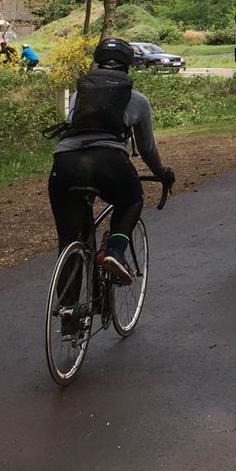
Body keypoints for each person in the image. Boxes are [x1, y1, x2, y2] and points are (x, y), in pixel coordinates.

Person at [49, 37, 174, 308]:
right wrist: (162, 173)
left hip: (65, 162)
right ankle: (115, 250)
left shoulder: (79, 95)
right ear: (129, 66)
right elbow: (148, 148)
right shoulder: (137, 99)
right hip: (108, 162)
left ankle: (69, 313)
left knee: (70, 240)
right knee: (131, 199)